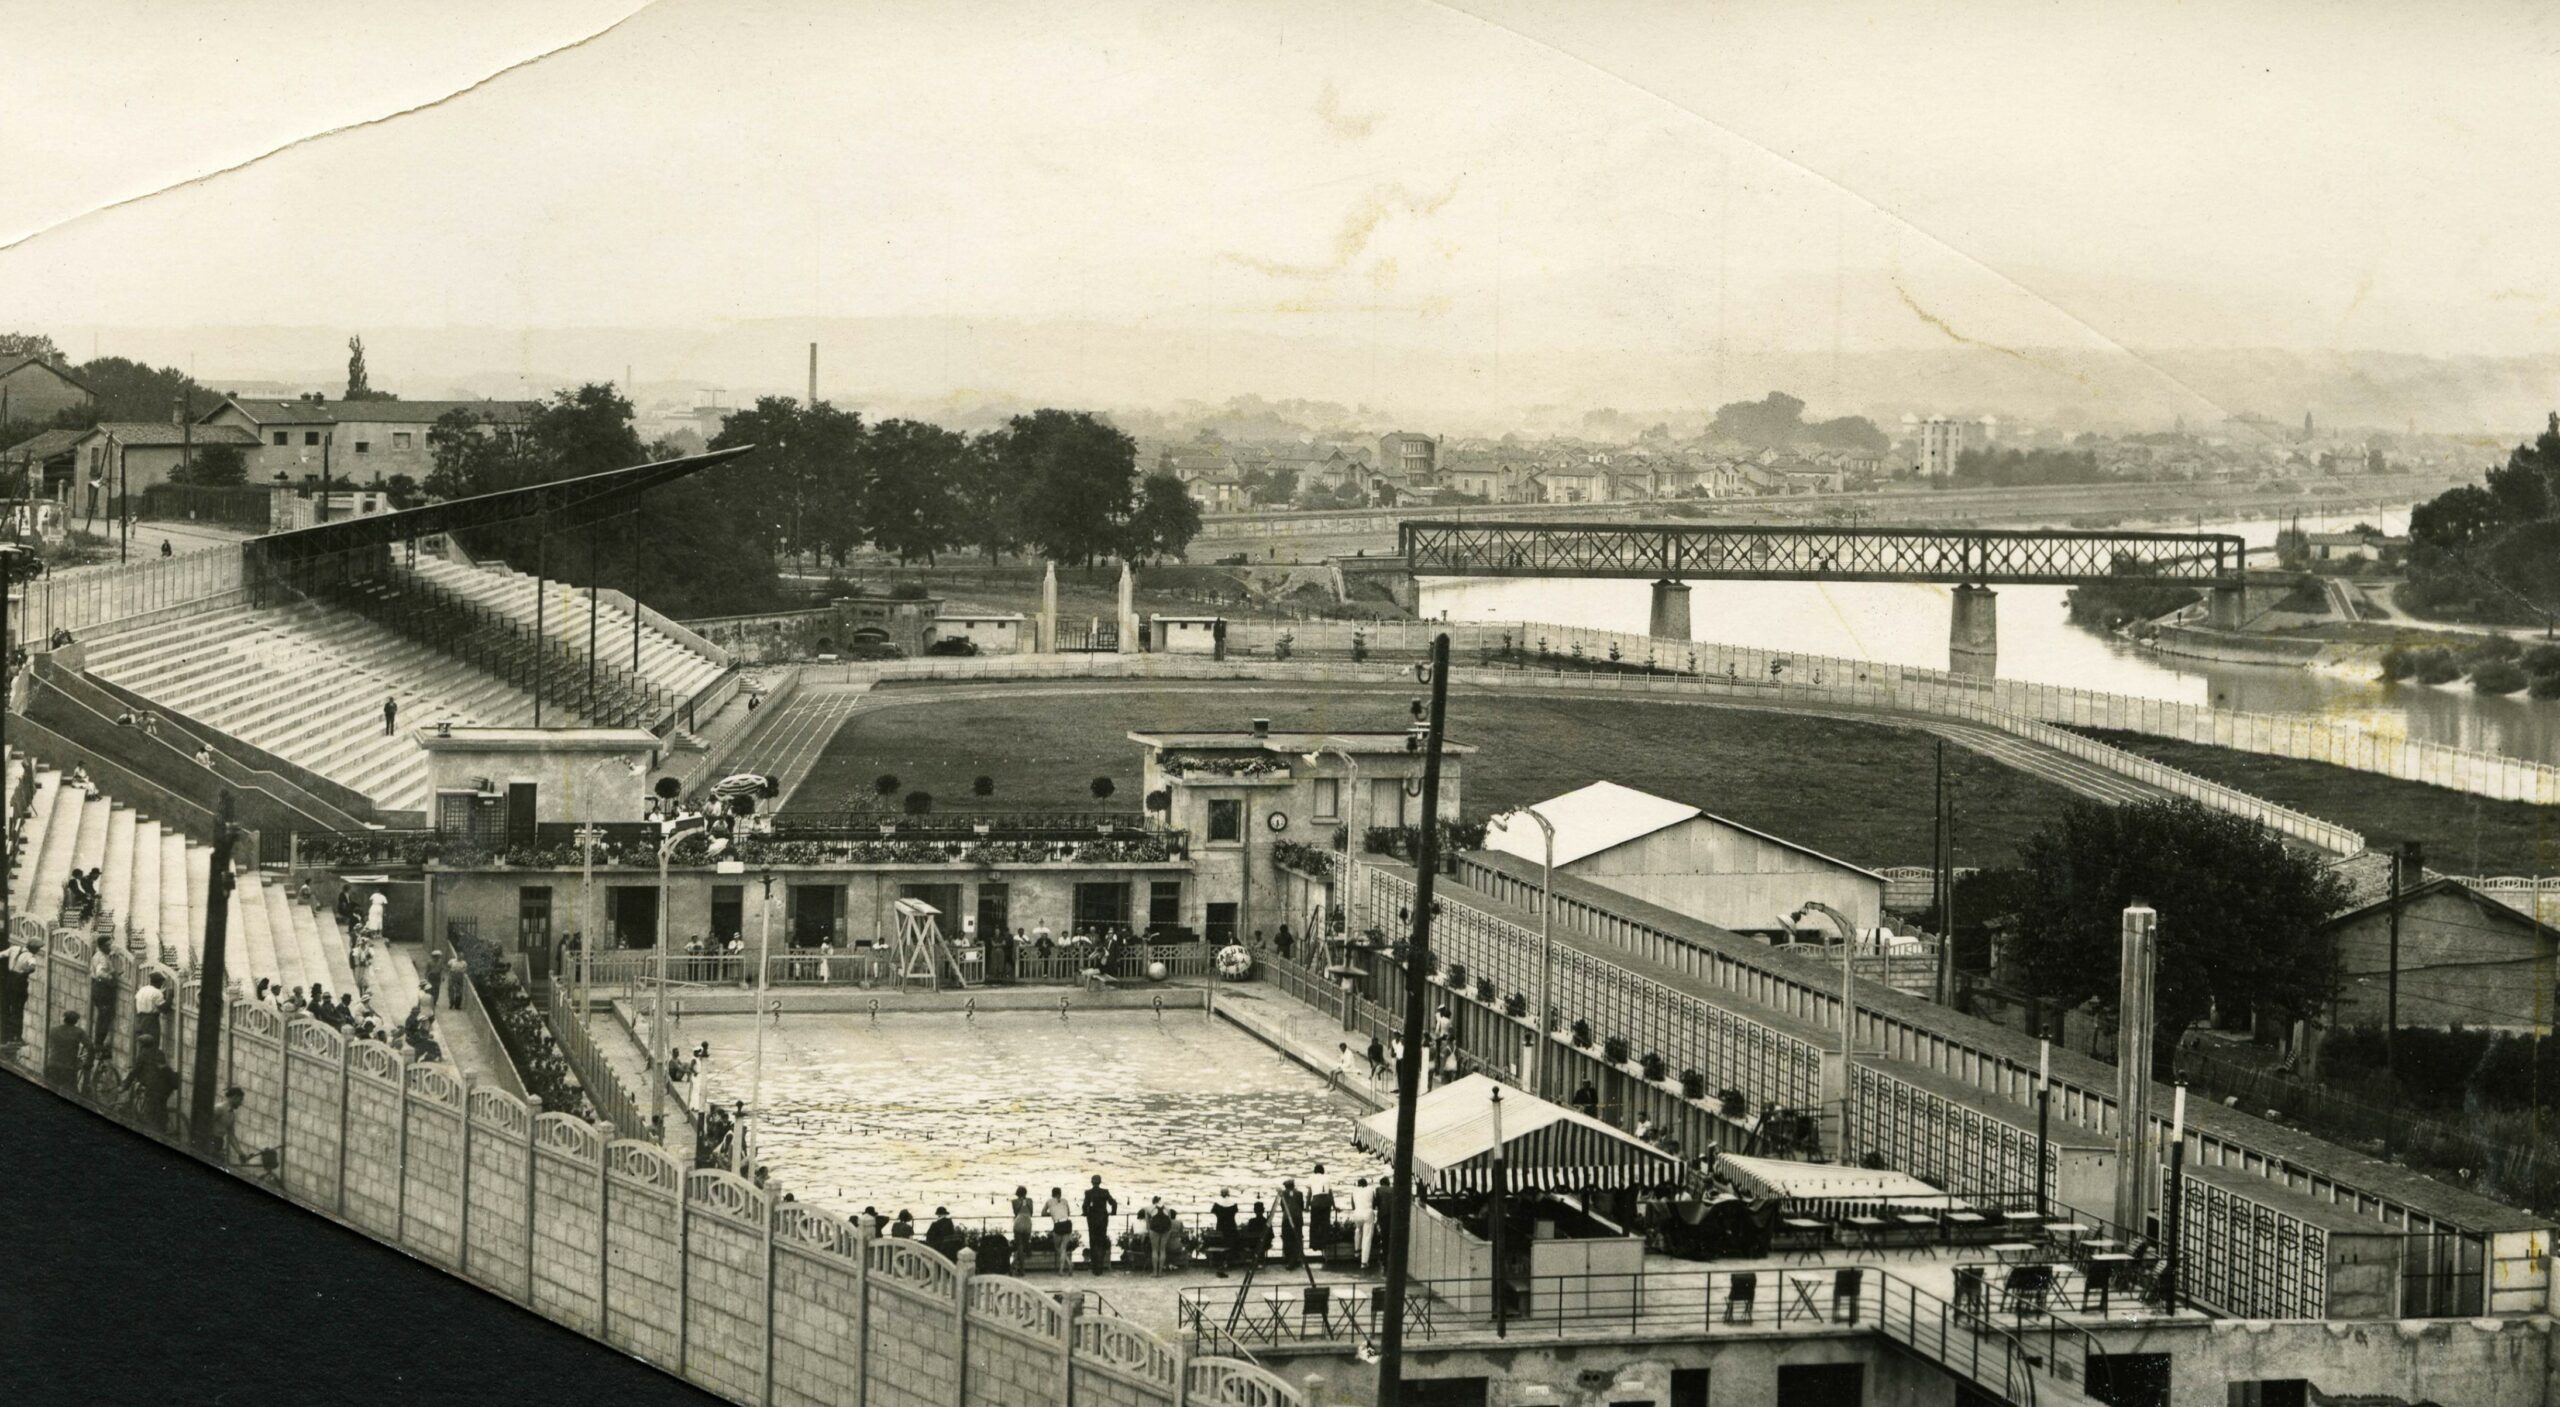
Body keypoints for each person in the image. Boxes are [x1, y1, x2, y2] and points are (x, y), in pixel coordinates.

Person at [124, 1034, 181, 1134]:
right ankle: (163, 1129)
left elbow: (134, 1072)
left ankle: (157, 1132)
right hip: (167, 1086)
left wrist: (124, 1086)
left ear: (142, 1045)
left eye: (139, 1044)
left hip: (155, 1087)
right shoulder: (160, 1053)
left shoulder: (142, 1055)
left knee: (150, 1112)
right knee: (160, 1106)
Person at [1, 935, 40, 1045]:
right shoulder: (31, 957)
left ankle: (6, 1035)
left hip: (9, 980)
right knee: (18, 1010)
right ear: (34, 948)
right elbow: (32, 967)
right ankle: (16, 1036)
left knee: (7, 1006)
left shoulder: (14, 948)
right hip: (19, 983)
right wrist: (24, 971)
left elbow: (1, 955)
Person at [42, 1009, 88, 1095]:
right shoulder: (79, 1032)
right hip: (68, 1069)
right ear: (76, 1021)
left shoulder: (53, 1030)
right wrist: (88, 1062)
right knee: (72, 1095)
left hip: (52, 1067)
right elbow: (90, 1047)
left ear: (64, 1019)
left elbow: (50, 1046)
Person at [1081, 1175, 1118, 1274]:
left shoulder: (1088, 1193)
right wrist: (1113, 1212)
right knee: (1101, 1242)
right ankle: (1100, 1268)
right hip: (1103, 1219)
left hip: (1092, 1219)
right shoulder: (1105, 1192)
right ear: (1100, 1182)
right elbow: (1113, 1203)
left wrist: (1085, 1213)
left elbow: (1085, 1205)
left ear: (1091, 1182)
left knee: (1093, 1243)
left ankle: (1095, 1269)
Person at [1276, 1178, 1306, 1269]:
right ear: (1293, 1185)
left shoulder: (1283, 1194)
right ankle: (1295, 1259)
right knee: (1297, 1238)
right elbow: (1301, 1206)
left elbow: (1282, 1206)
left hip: (1286, 1219)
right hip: (1298, 1218)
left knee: (1287, 1238)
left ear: (1285, 1187)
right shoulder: (1299, 1194)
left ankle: (1289, 1260)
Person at [1209, 1189, 1240, 1274]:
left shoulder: (1217, 1204)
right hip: (1231, 1226)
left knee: (1221, 1244)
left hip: (1221, 1226)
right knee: (1230, 1243)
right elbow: (1236, 1211)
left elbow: (1212, 1211)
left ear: (1221, 1194)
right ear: (1228, 1194)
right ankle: (1229, 1261)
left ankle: (1221, 1262)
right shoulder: (1233, 1204)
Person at [1042, 1186, 1074, 1265]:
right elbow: (1068, 1213)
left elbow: (1043, 1213)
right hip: (1067, 1223)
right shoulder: (1065, 1201)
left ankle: (1068, 1263)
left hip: (1058, 1224)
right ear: (1060, 1194)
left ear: (1052, 1194)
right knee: (1063, 1248)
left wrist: (1051, 1213)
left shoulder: (1049, 1201)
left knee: (1057, 1247)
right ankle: (1063, 1268)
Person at [1308, 1164, 1335, 1257]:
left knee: (1314, 1224)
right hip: (1326, 1201)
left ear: (1315, 1171)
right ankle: (1324, 1244)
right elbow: (1331, 1193)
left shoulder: (1312, 1177)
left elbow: (1309, 1193)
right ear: (1323, 1171)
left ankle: (1314, 1244)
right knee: (1325, 1223)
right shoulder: (1327, 1177)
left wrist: (1307, 1205)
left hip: (1316, 1201)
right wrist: (1334, 1206)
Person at [1145, 1200, 1178, 1274]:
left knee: (1155, 1250)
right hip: (1166, 1228)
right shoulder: (1167, 1208)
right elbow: (1170, 1221)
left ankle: (1154, 1272)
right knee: (1162, 1250)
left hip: (1154, 1228)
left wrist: (1149, 1230)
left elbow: (1147, 1222)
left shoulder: (1148, 1208)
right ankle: (1160, 1272)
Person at [1012, 1185, 1036, 1251]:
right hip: (1028, 1221)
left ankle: (1021, 1259)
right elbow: (1031, 1213)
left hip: (1018, 1221)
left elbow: (1015, 1213)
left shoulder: (1014, 1201)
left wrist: (1020, 1204)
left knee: (1019, 1244)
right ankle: (1027, 1252)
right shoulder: (1030, 1200)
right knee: (1026, 1241)